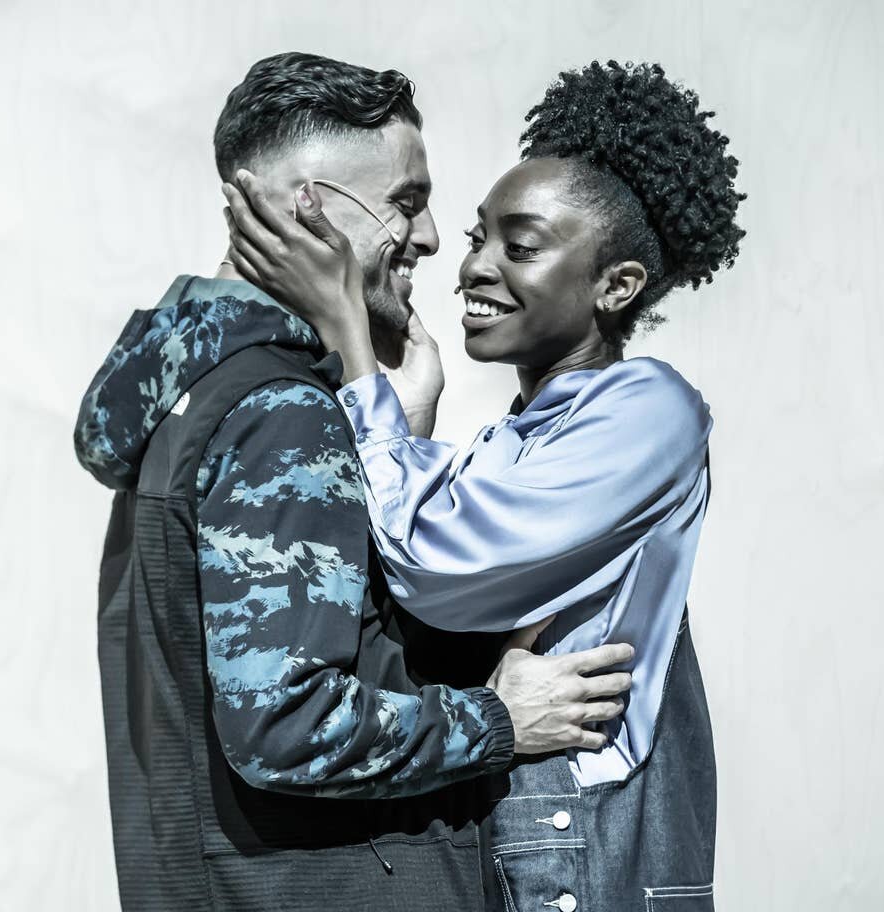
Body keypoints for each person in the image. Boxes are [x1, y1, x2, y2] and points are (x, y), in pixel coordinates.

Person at [73, 53, 636, 912]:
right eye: (406, 202)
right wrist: (498, 719)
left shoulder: (199, 393)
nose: (432, 237)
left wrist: (399, 439)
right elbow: (286, 726)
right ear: (310, 209)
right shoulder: (281, 413)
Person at [223, 60, 744, 911]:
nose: (472, 267)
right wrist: (412, 421)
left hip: (585, 839)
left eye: (521, 247)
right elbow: (414, 586)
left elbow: (436, 563)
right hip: (516, 824)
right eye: (477, 238)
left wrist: (353, 350)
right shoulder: (512, 440)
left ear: (617, 286)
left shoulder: (651, 410)